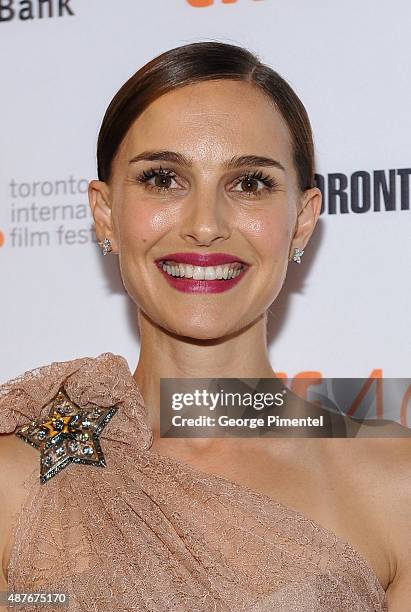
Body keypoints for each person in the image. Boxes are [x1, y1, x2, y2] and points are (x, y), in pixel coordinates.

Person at [0, 41, 409, 611]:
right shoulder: (14, 479)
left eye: (250, 184)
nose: (205, 226)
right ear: (105, 213)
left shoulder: (395, 484)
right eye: (163, 179)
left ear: (302, 221)